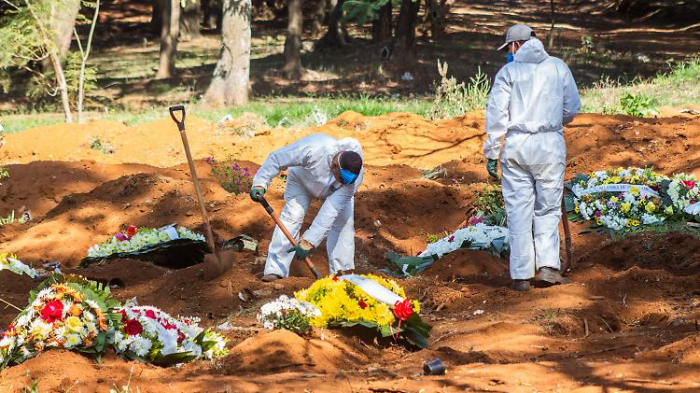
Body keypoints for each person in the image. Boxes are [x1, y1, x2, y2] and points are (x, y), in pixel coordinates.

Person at [483, 24, 581, 292]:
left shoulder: (508, 72)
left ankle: (521, 275)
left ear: (515, 45)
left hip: (516, 145)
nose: (509, 53)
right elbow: (572, 107)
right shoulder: (558, 67)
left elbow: (496, 115)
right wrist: (550, 120)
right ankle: (549, 267)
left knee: (518, 210)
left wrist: (492, 152)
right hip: (549, 144)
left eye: (509, 48)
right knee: (547, 209)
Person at [250, 134, 364, 282]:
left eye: (346, 182)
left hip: (332, 192)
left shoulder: (352, 180)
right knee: (292, 216)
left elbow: (331, 209)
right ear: (335, 166)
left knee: (343, 225)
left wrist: (308, 241)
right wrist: (260, 183)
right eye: (341, 179)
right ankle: (275, 271)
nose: (343, 183)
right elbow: (277, 158)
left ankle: (343, 276)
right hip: (302, 181)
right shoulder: (314, 148)